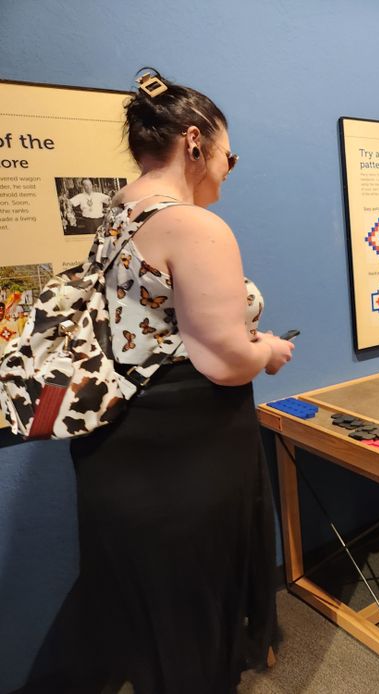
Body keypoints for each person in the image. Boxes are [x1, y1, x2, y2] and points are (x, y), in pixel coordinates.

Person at [24, 69, 294, 694]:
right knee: (190, 603)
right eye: (230, 153)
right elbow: (222, 357)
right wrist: (270, 348)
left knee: (150, 603)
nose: (230, 167)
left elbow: (156, 326)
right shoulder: (195, 225)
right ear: (195, 143)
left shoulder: (121, 208)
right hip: (185, 448)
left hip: (122, 440)